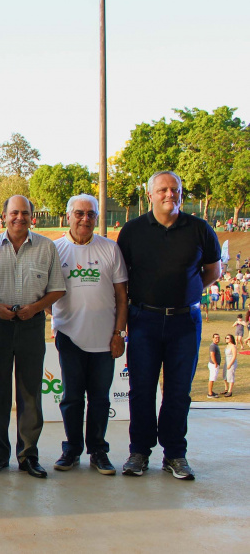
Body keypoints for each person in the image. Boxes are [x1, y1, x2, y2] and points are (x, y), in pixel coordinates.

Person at [117, 171, 221, 480]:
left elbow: (212, 272)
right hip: (143, 321)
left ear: (181, 193)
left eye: (174, 189)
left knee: (178, 392)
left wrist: (186, 293)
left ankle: (175, 454)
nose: (169, 194)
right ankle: (139, 452)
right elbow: (121, 280)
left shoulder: (200, 229)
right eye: (162, 189)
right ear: (149, 195)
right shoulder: (132, 231)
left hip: (184, 323)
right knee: (142, 390)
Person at [0, 195, 66, 478]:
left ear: (31, 217)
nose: (19, 218)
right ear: (4, 216)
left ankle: (28, 455)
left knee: (30, 393)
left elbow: (57, 288)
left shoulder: (46, 248)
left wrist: (35, 308)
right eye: (14, 213)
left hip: (31, 325)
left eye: (25, 213)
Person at [49, 195, 128, 476]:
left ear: (97, 217)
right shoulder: (55, 249)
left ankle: (98, 451)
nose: (85, 219)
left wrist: (119, 333)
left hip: (105, 338)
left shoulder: (110, 248)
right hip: (69, 336)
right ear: (68, 216)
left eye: (91, 214)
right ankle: (71, 449)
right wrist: (55, 317)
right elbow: (45, 292)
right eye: (79, 213)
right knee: (71, 397)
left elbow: (121, 295)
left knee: (100, 399)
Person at [207, 334, 222, 399]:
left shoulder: (215, 345)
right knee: (212, 379)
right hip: (213, 364)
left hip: (214, 364)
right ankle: (210, 393)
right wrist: (215, 363)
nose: (217, 339)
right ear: (212, 338)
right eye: (216, 338)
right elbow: (212, 355)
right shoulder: (213, 346)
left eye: (218, 338)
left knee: (213, 378)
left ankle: (211, 392)